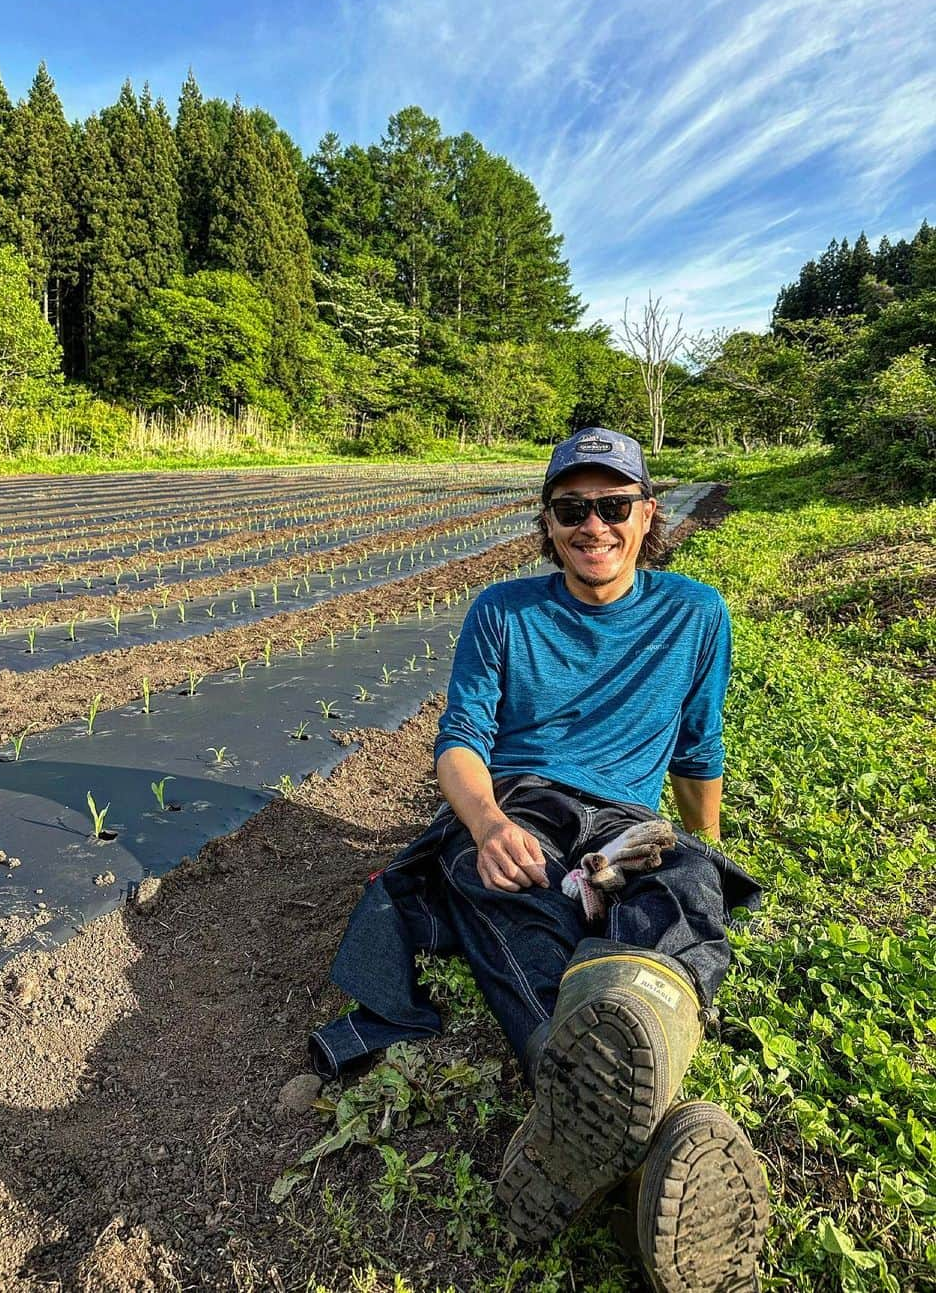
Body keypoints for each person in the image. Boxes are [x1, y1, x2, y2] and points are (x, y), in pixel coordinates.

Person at [309, 428, 769, 1291]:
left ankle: (602, 1121)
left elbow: (698, 751)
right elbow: (459, 744)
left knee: (683, 887)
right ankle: (646, 1141)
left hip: (626, 818)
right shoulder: (503, 611)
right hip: (524, 798)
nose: (593, 525)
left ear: (646, 515)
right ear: (548, 523)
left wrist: (705, 850)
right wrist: (483, 825)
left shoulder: (696, 612)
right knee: (510, 896)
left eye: (612, 506)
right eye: (572, 509)